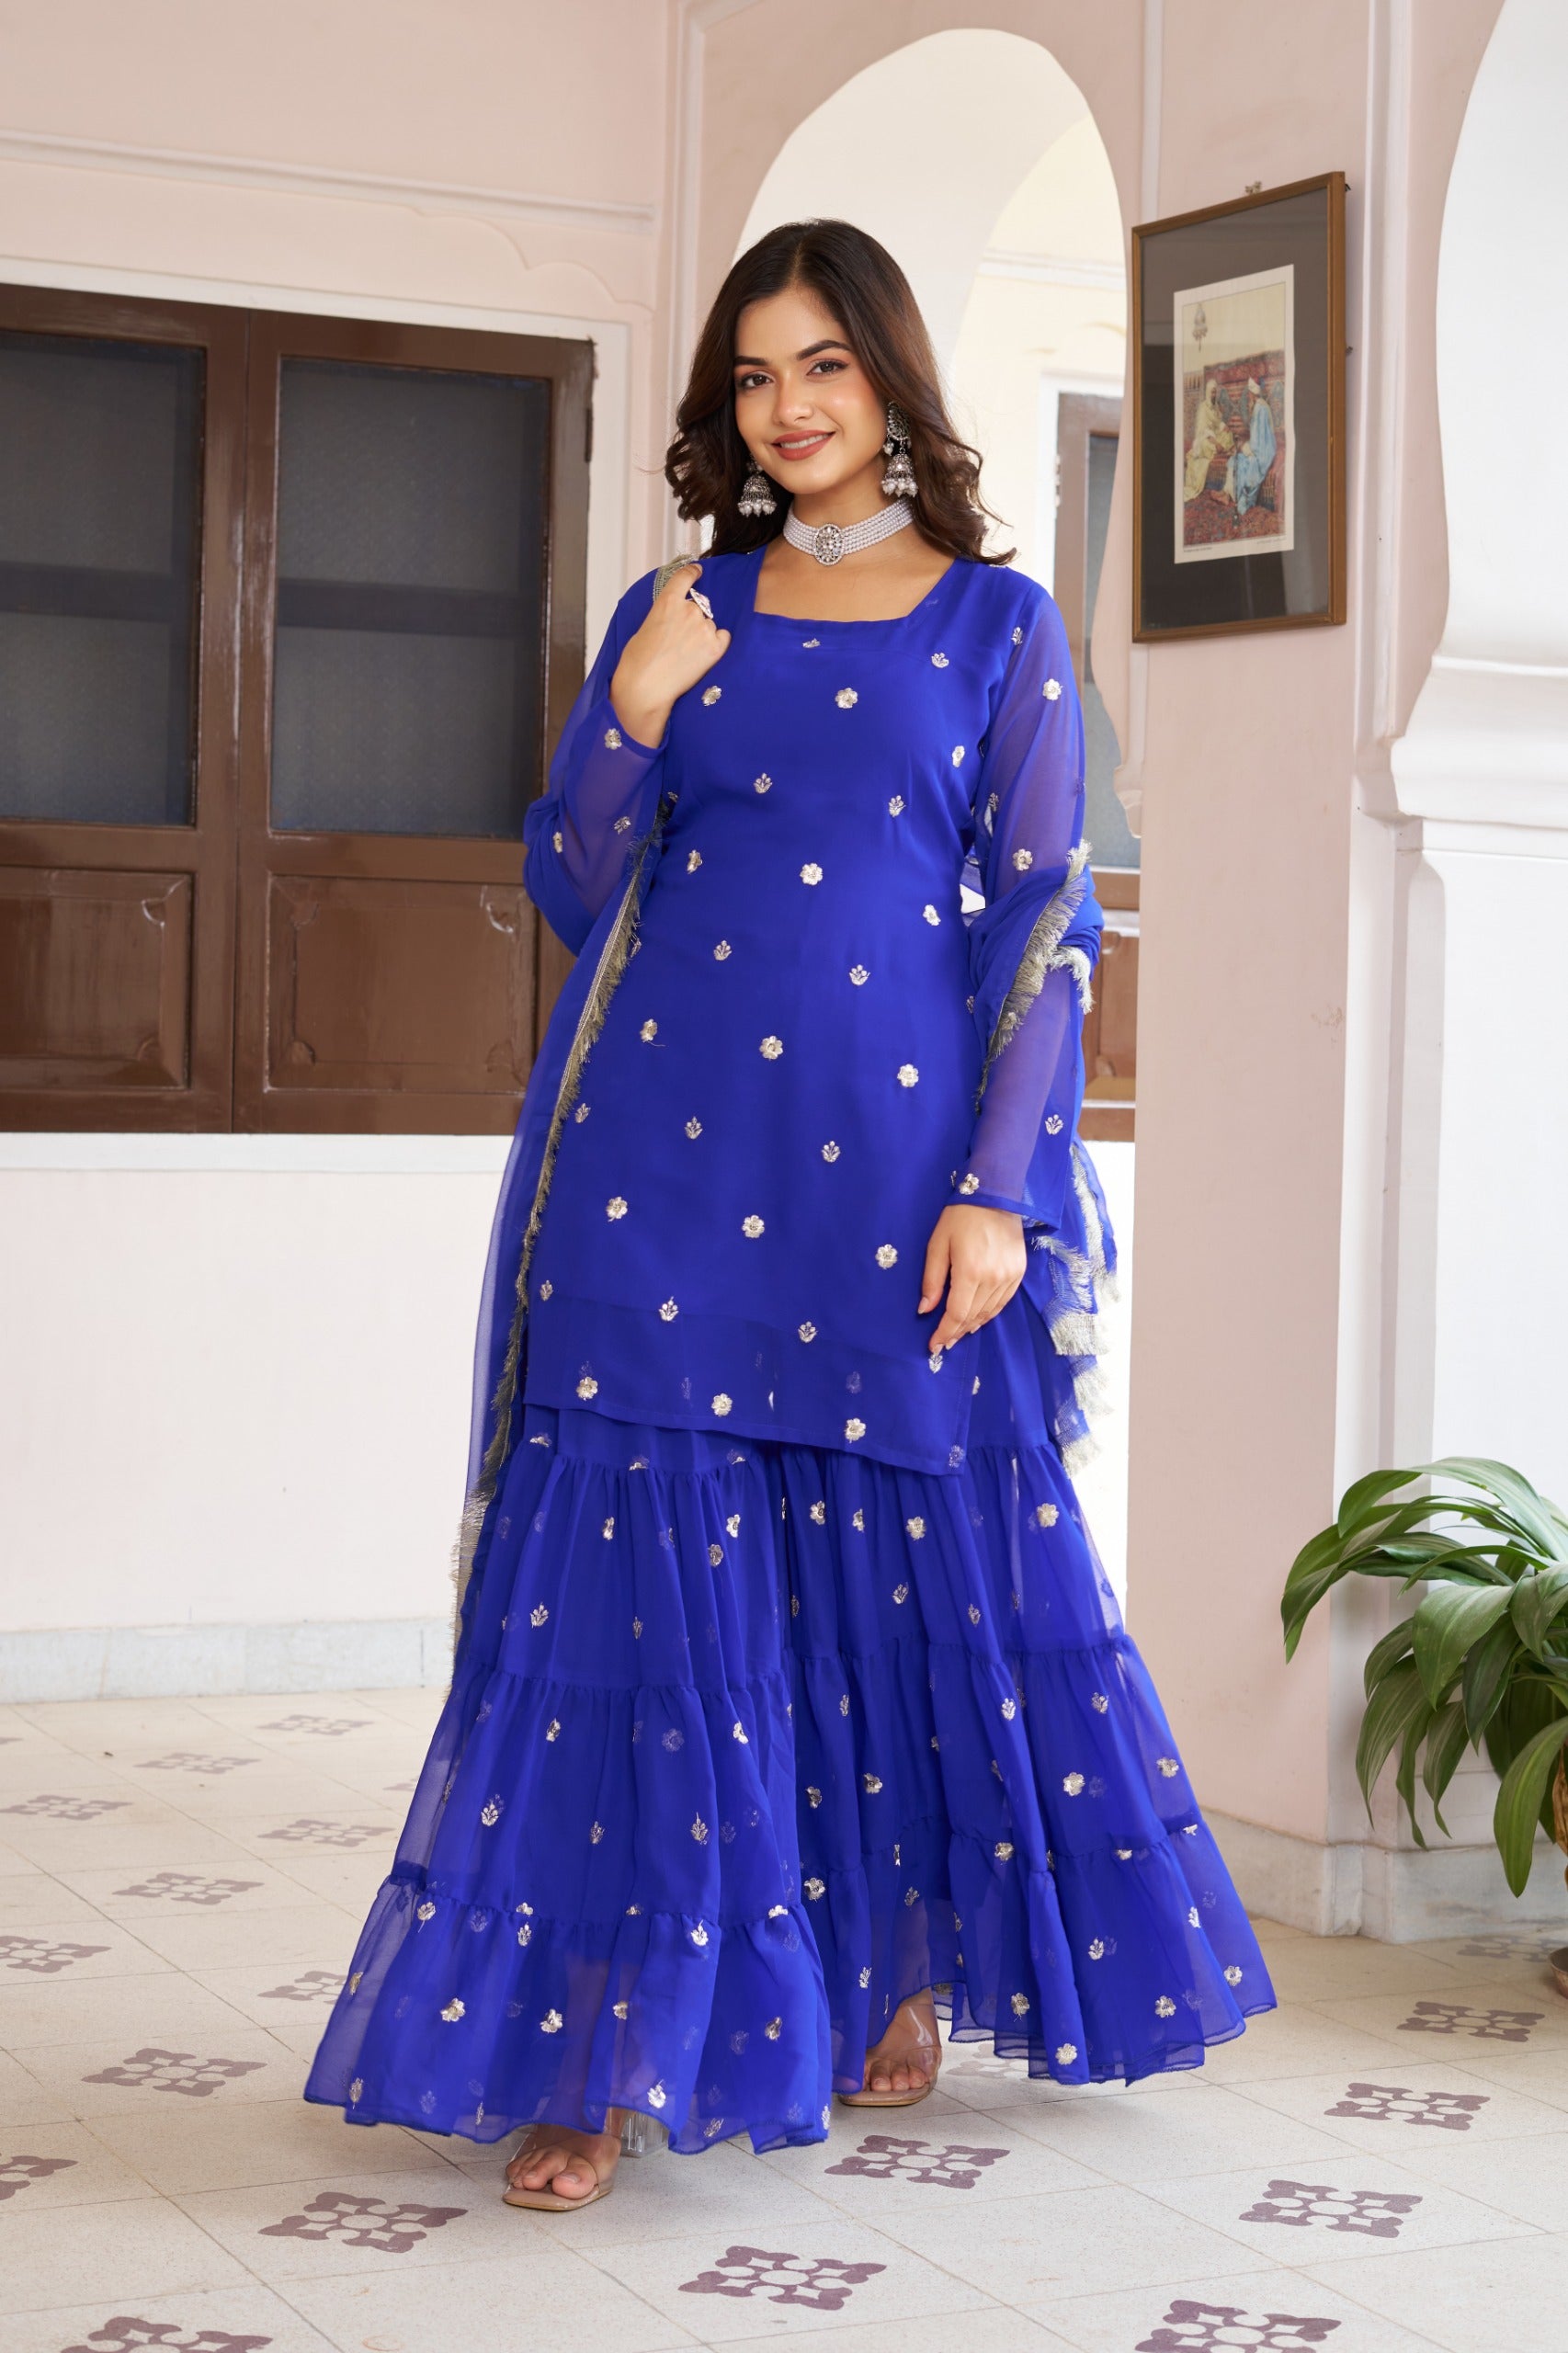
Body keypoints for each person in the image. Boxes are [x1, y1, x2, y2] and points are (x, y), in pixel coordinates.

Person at [303, 218, 1274, 2213]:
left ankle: (890, 1955)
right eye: (753, 376)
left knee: (895, 1580)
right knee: (637, 1608)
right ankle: (596, 2047)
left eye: (821, 364)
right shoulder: (682, 609)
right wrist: (633, 707)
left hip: (894, 1168)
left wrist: (1003, 1185)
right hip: (657, 1169)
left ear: (891, 381)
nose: (788, 407)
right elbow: (576, 880)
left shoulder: (998, 632)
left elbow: (1041, 930)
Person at [1225, 375, 1278, 517]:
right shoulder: (1259, 406)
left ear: (1252, 393)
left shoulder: (1259, 408)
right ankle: (1229, 494)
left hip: (1263, 453)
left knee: (1242, 461)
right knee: (1235, 459)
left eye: (1248, 393)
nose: (1247, 396)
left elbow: (1259, 441)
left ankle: (1241, 499)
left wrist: (1245, 447)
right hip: (1261, 447)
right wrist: (1244, 446)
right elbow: (1256, 437)